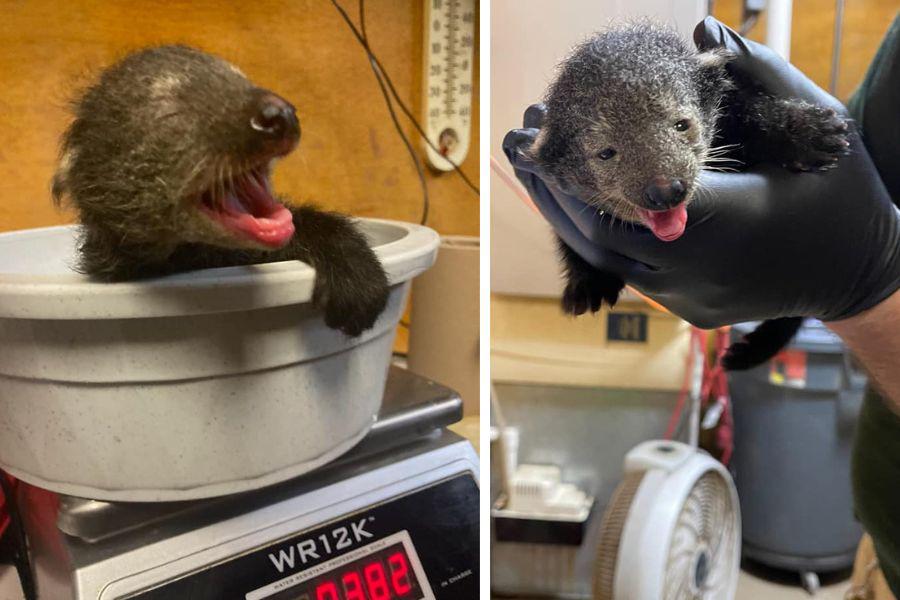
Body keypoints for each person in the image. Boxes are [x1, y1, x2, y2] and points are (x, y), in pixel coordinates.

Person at [503, 16, 900, 594]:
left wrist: (873, 289)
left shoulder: (727, 102)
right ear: (561, 155)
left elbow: (819, 228)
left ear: (710, 94)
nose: (663, 180)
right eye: (609, 152)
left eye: (684, 126)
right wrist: (586, 271)